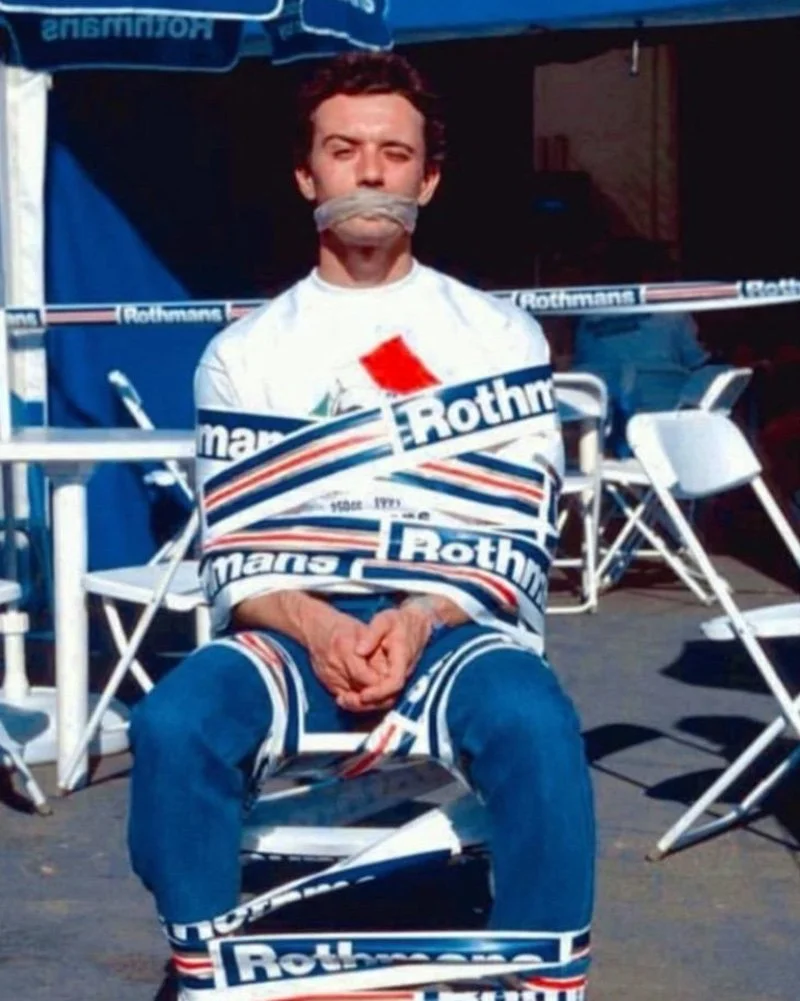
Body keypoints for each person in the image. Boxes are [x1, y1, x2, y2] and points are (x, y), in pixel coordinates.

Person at [128, 52, 595, 1001]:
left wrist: (417, 617)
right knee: (175, 723)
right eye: (344, 150)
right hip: (294, 625)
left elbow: (518, 526)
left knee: (536, 724)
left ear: (429, 179)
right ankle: (211, 963)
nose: (370, 171)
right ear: (308, 176)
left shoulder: (496, 336)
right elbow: (237, 549)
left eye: (395, 153)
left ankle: (537, 979)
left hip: (450, 621)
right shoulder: (244, 354)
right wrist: (321, 625)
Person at [572, 238, 709, 455]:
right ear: (652, 273)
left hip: (598, 430)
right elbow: (698, 362)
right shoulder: (672, 310)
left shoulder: (590, 314)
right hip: (666, 421)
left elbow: (581, 362)